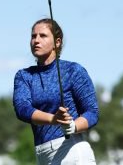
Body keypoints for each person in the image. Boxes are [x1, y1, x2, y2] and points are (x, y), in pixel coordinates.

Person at [13, 18, 99, 165]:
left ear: (57, 42)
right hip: (42, 155)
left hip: (72, 151)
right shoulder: (24, 76)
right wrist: (53, 119)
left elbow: (92, 112)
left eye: (43, 35)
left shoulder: (73, 71)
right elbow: (22, 109)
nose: (36, 40)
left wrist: (73, 126)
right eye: (33, 36)